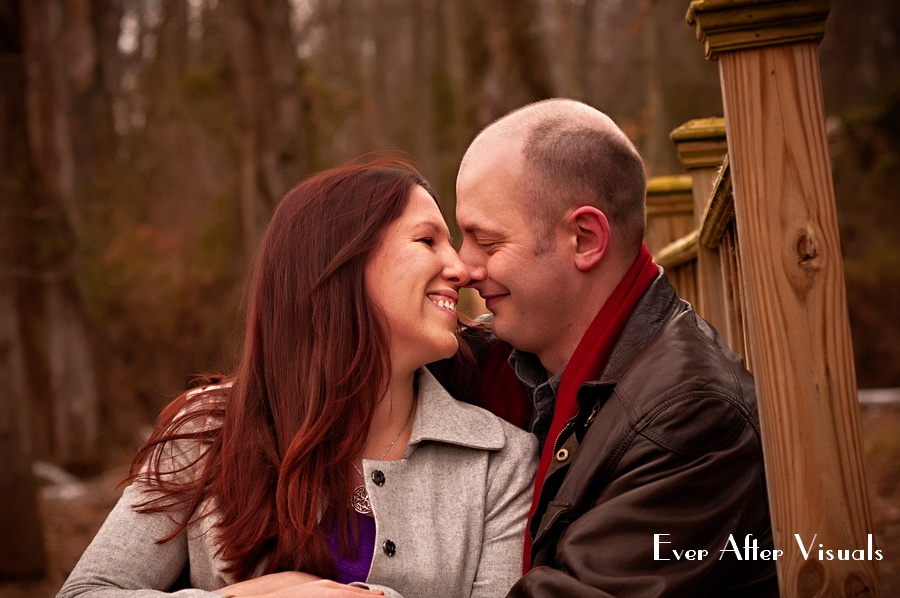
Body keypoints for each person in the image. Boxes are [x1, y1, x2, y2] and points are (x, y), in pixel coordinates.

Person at [57, 158, 538, 598]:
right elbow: (87, 591)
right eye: (427, 240)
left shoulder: (500, 463)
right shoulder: (205, 431)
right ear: (340, 264)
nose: (459, 268)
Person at [454, 99, 779, 597]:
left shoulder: (692, 416)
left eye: (488, 242)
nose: (462, 268)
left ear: (585, 239)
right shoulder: (514, 358)